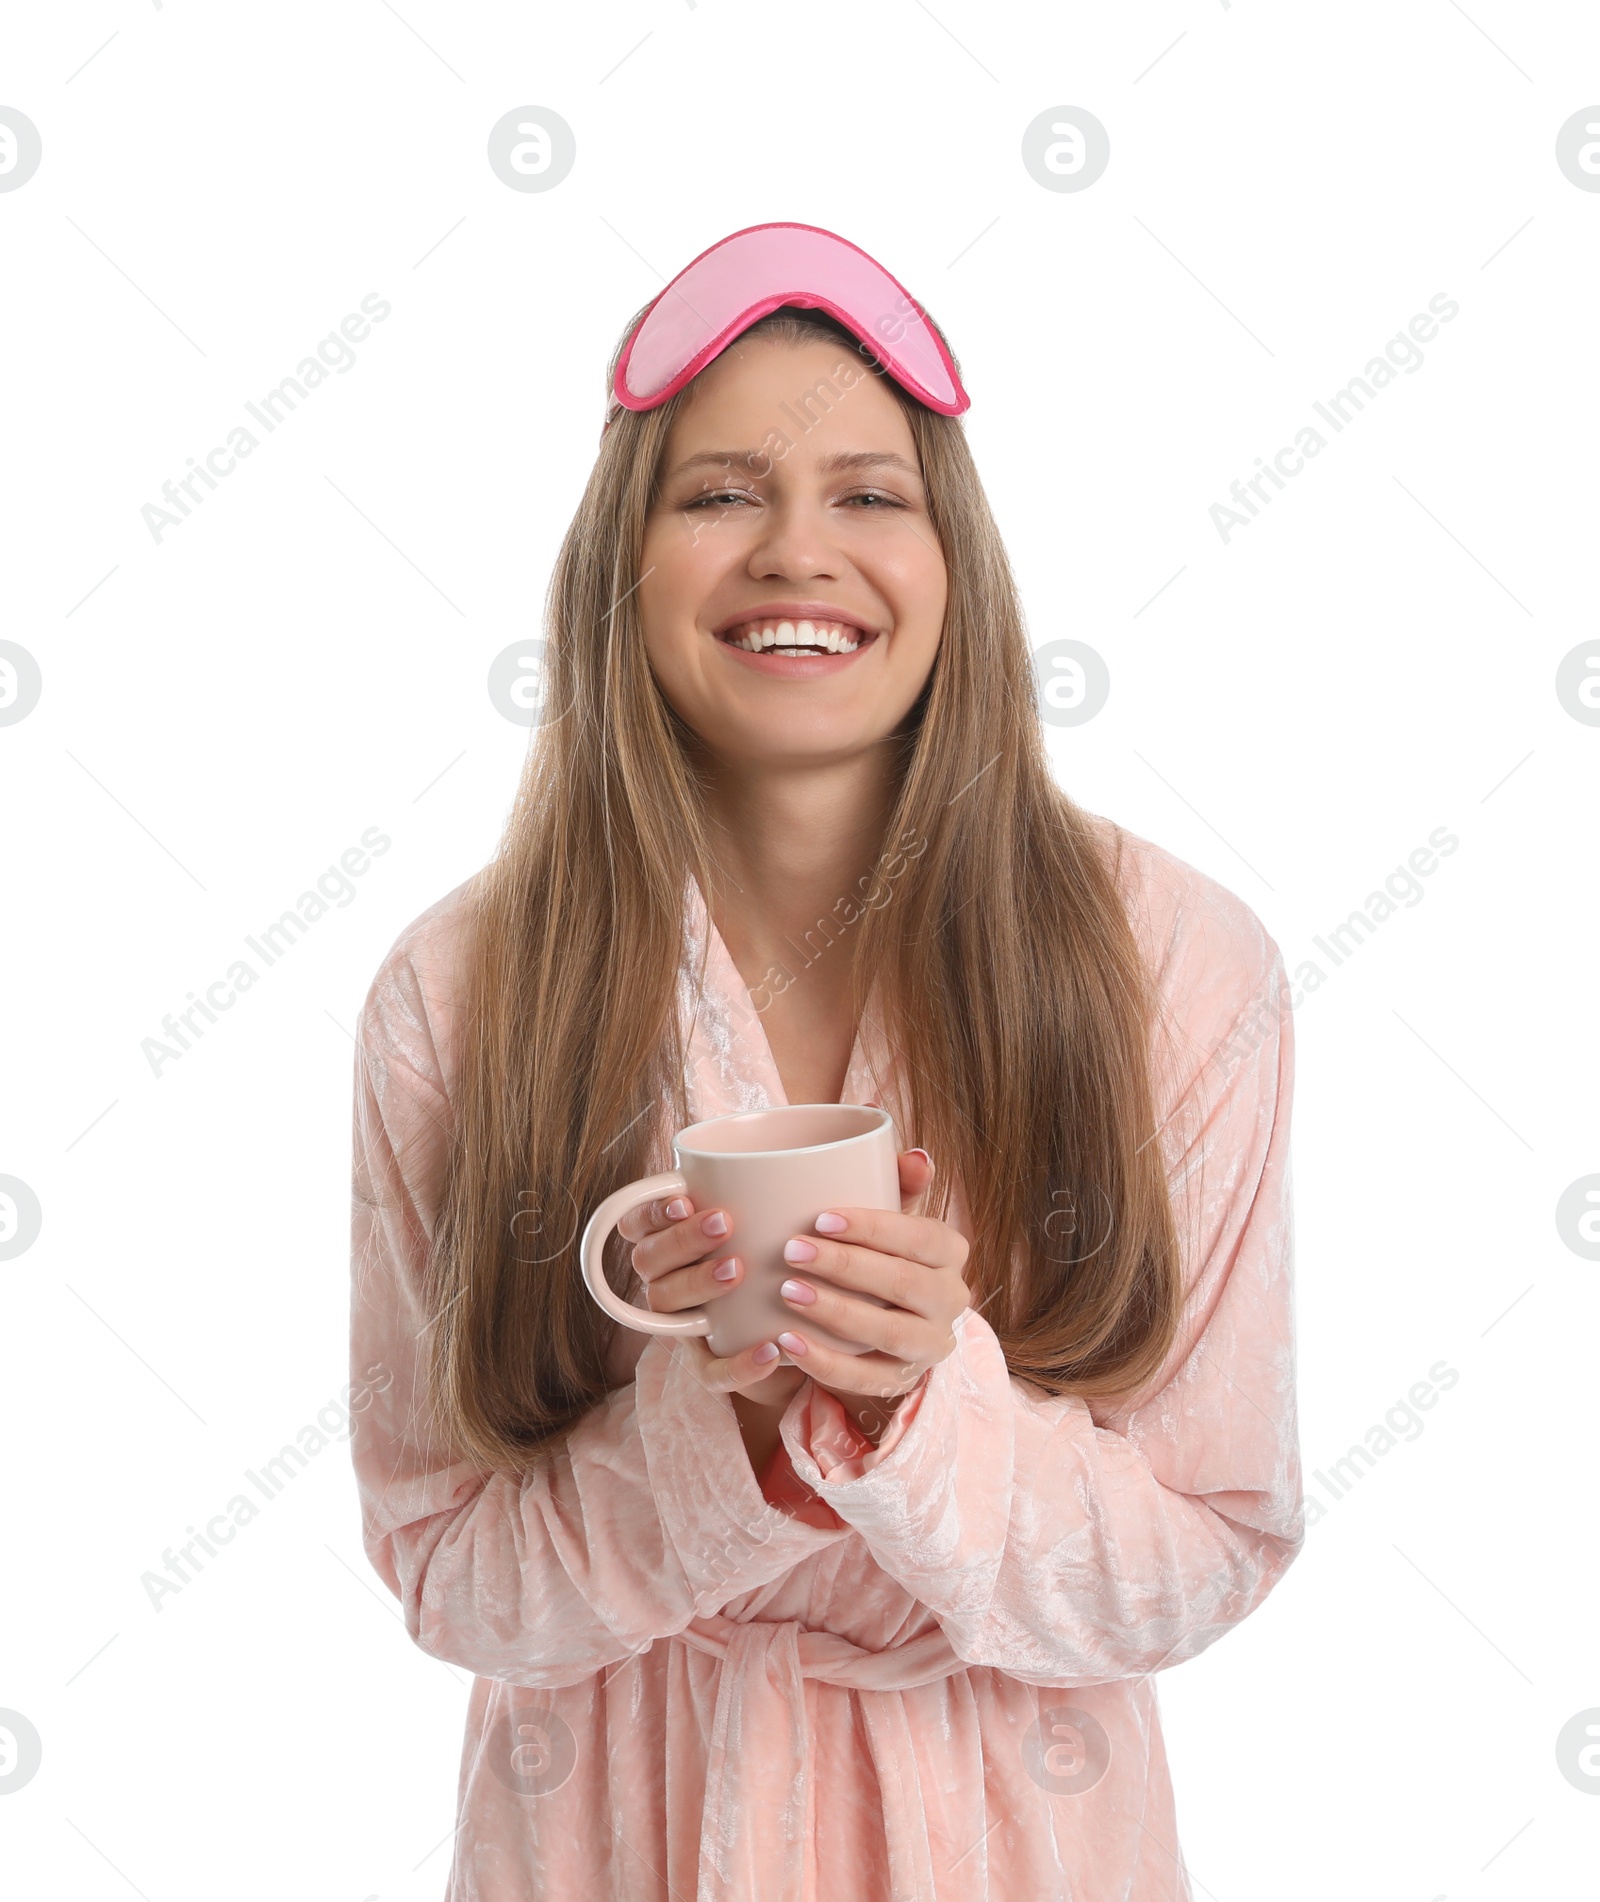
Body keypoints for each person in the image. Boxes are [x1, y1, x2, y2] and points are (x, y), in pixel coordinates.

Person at [349, 222, 1305, 1902]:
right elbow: (447, 1572)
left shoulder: (1176, 968)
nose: (800, 551)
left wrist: (921, 1406)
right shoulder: (460, 991)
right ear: (621, 561)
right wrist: (710, 1432)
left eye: (871, 494)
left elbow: (1207, 1552)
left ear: (958, 562)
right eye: (720, 493)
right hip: (606, 1837)